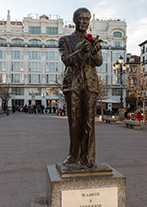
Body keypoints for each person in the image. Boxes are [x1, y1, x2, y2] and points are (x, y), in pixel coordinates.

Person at [58, 7, 103, 168]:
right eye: (81, 18)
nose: (84, 22)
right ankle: (73, 156)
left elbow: (98, 62)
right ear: (74, 20)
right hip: (73, 84)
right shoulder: (65, 40)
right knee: (75, 122)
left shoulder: (92, 40)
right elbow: (66, 60)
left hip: (90, 84)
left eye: (87, 19)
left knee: (89, 122)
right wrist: (79, 51)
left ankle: (89, 158)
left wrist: (95, 51)